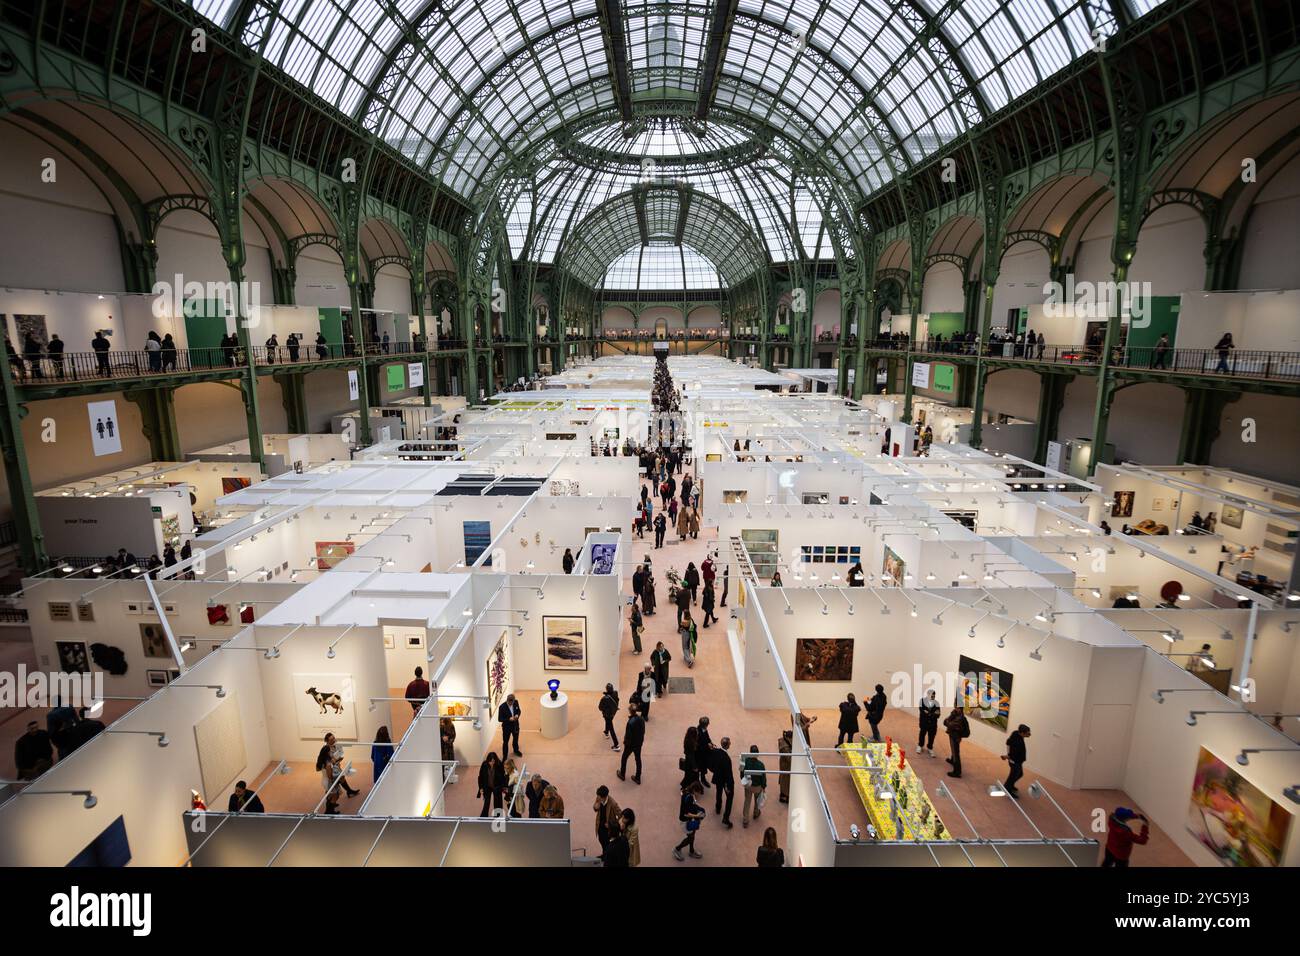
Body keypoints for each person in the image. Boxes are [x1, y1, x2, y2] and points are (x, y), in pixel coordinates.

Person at [673, 781, 706, 861]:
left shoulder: (686, 792)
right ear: (694, 789)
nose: (698, 795)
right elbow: (686, 813)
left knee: (692, 835)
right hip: (686, 820)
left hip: (688, 819)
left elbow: (691, 806)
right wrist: (697, 816)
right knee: (690, 838)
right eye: (698, 792)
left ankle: (691, 851)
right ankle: (677, 849)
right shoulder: (689, 797)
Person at [710, 736, 736, 828]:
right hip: (725, 781)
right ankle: (726, 818)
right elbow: (728, 774)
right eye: (730, 743)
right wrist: (728, 786)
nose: (730, 744)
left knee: (718, 792)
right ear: (727, 745)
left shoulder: (716, 752)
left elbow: (712, 763)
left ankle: (718, 808)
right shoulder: (727, 759)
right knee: (729, 798)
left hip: (717, 778)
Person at [617, 702, 645, 784]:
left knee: (624, 758)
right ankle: (638, 777)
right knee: (638, 759)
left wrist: (626, 743)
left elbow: (628, 736)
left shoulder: (630, 723)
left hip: (631, 745)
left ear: (630, 711)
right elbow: (643, 731)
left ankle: (622, 774)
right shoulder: (641, 719)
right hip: (639, 743)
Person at [740, 744, 766, 827]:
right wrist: (764, 786)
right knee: (757, 800)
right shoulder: (761, 765)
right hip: (757, 786)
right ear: (757, 753)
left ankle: (745, 820)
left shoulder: (745, 761)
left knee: (747, 801)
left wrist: (743, 780)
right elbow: (763, 777)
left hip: (748, 785)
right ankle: (756, 813)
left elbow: (741, 772)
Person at [593, 785, 621, 859]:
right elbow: (595, 808)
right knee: (601, 840)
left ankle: (608, 857)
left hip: (608, 828)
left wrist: (611, 824)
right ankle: (604, 854)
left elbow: (621, 816)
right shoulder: (598, 797)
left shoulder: (613, 804)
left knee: (608, 843)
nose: (598, 798)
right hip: (600, 824)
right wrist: (595, 806)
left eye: (600, 797)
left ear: (605, 797)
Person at [1002, 724, 1031, 797]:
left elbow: (1008, 742)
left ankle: (1010, 785)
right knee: (1013, 776)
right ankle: (1007, 789)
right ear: (1022, 733)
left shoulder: (1016, 733)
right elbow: (1009, 744)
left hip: (1018, 761)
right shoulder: (1017, 741)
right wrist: (1008, 756)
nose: (1029, 734)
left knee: (1020, 774)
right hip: (1014, 761)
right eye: (1027, 733)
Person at [477, 752, 507, 818]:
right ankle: (484, 816)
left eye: (493, 761)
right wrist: (481, 788)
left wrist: (503, 787)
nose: (492, 763)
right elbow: (480, 777)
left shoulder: (499, 764)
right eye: (490, 761)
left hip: (497, 786)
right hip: (487, 786)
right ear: (488, 760)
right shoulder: (484, 764)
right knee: (486, 802)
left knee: (497, 802)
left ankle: (498, 816)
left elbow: (503, 776)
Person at [944, 704, 971, 778]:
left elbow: (948, 723)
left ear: (961, 709)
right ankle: (953, 760)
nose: (956, 708)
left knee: (956, 753)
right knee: (953, 750)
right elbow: (945, 722)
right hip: (952, 734)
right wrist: (949, 719)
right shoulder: (955, 714)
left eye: (958, 707)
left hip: (955, 737)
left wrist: (948, 722)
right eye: (955, 707)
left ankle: (957, 772)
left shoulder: (960, 718)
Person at [498, 692, 522, 758]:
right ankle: (505, 756)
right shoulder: (502, 707)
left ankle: (516, 750)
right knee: (505, 742)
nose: (511, 704)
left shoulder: (516, 702)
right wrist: (509, 719)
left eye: (512, 702)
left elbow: (519, 711)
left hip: (515, 725)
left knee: (515, 739)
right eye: (509, 703)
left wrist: (517, 715)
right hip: (506, 727)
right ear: (507, 700)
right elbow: (500, 719)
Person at [917, 689, 941, 755]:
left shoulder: (937, 703)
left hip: (933, 724)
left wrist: (928, 713)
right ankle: (920, 745)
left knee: (932, 736)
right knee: (922, 734)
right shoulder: (922, 701)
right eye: (931, 695)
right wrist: (933, 713)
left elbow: (938, 714)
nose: (933, 696)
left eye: (934, 695)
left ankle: (930, 748)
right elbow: (922, 711)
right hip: (924, 722)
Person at [599, 683, 621, 751]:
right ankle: (606, 732)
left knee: (611, 728)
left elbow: (600, 707)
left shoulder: (605, 698)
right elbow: (617, 700)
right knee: (608, 722)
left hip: (607, 715)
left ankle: (616, 745)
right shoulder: (615, 693)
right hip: (613, 713)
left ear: (606, 689)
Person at [777, 729, 793, 804]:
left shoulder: (783, 741)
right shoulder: (785, 747)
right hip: (786, 766)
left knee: (784, 780)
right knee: (786, 782)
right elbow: (790, 759)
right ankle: (786, 796)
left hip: (784, 765)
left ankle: (783, 794)